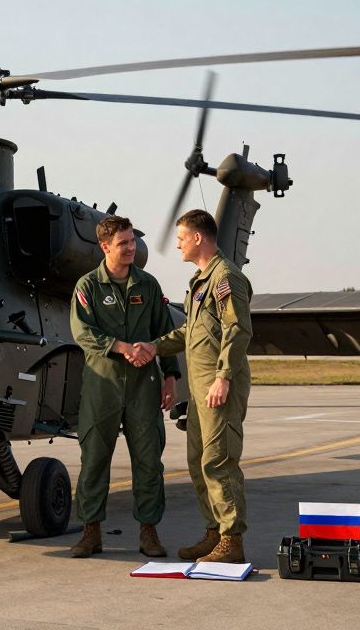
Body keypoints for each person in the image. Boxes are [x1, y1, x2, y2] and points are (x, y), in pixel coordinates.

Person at [133, 208, 253, 563]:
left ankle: (232, 541)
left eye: (182, 238)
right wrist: (156, 346)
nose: (179, 245)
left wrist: (224, 377)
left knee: (219, 461)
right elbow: (192, 332)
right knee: (199, 461)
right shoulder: (201, 281)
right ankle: (214, 533)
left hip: (219, 387)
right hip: (200, 390)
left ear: (198, 238)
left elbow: (237, 330)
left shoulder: (225, 277)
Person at [68, 215, 180, 559]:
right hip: (103, 385)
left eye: (132, 241)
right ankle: (90, 533)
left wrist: (170, 376)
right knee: (94, 461)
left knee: (149, 461)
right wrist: (122, 347)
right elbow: (82, 332)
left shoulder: (148, 286)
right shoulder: (88, 286)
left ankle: (149, 532)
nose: (132, 248)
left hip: (144, 387)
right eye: (124, 243)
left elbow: (165, 331)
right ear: (105, 247)